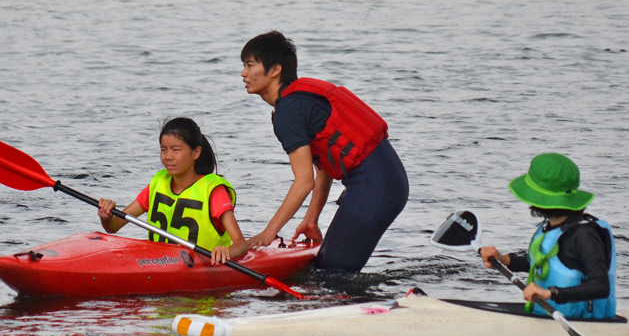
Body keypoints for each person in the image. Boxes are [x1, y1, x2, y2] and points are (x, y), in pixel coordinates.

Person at [240, 31, 409, 271]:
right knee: (328, 267)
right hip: (387, 183)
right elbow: (324, 166)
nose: (243, 74)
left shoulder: (288, 111)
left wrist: (269, 233)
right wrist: (311, 219)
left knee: (332, 275)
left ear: (275, 70)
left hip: (374, 189)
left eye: (250, 65)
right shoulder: (299, 99)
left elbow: (303, 181)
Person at [479, 153, 616, 319]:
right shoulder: (550, 226)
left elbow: (600, 286)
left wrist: (549, 293)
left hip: (580, 321)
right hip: (545, 313)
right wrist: (504, 259)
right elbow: (541, 264)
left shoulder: (585, 235)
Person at [97, 117, 248, 265]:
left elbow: (240, 244)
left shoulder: (213, 191)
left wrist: (225, 252)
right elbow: (114, 226)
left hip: (202, 268)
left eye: (176, 150)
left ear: (196, 153)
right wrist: (106, 216)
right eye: (163, 150)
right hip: (159, 265)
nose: (168, 157)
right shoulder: (158, 184)